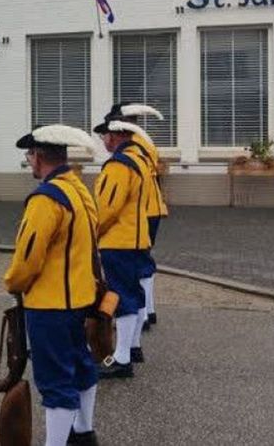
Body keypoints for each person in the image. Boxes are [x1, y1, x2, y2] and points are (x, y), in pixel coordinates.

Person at [4, 124, 102, 446]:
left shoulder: (46, 199)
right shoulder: (77, 188)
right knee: (81, 366)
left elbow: (28, 257)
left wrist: (13, 282)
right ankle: (84, 433)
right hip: (79, 298)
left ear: (39, 155)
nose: (29, 161)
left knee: (55, 381)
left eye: (29, 154)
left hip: (49, 303)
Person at [93, 114, 153, 379]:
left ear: (114, 136)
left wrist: (92, 234)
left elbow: (107, 207)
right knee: (135, 293)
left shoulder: (118, 165)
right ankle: (133, 346)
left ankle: (121, 358)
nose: (104, 140)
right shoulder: (141, 159)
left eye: (104, 135)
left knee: (122, 295)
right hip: (138, 237)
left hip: (119, 239)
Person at [106, 103, 167, 331]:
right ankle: (147, 311)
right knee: (142, 261)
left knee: (138, 264)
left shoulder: (135, 145)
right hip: (150, 207)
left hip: (143, 210)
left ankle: (141, 314)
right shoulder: (144, 141)